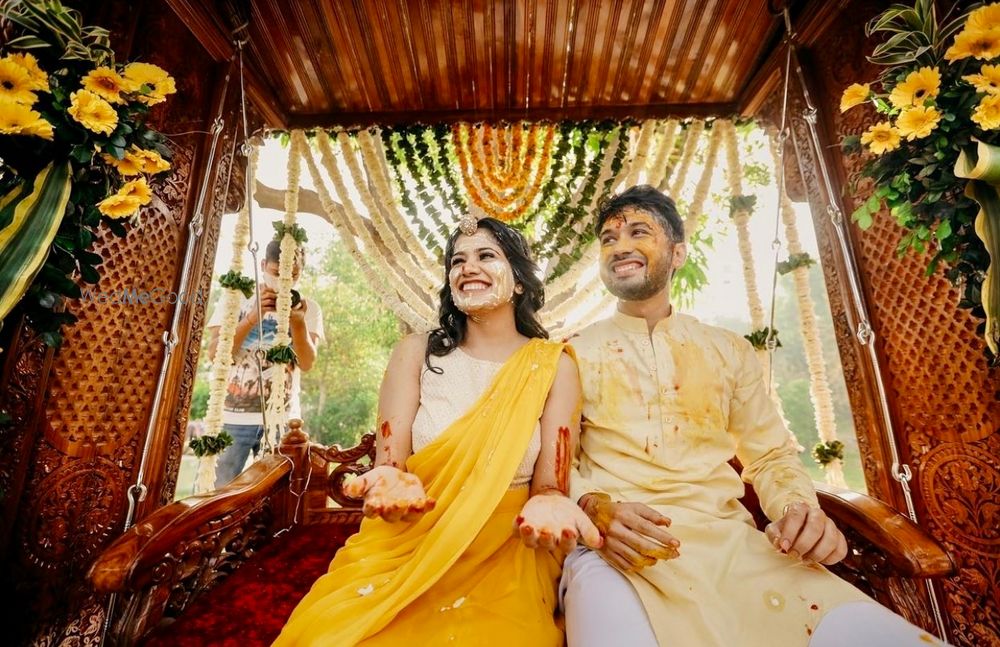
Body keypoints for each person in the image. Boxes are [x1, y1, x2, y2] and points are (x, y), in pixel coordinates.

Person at [560, 185, 948, 646]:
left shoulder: (727, 351)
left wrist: (797, 511)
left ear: (678, 252)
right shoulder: (572, 353)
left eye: (637, 232)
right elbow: (554, 462)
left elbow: (769, 457)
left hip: (735, 547)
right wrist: (593, 508)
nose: (620, 246)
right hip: (616, 551)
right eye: (608, 238)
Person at [273, 216, 600, 646]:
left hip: (507, 548)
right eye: (457, 260)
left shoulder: (553, 365)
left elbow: (549, 485)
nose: (468, 267)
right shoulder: (415, 353)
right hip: (408, 537)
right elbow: (390, 465)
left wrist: (552, 501)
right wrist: (389, 479)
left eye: (486, 256)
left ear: (519, 281)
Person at [206, 239, 324, 487]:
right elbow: (215, 354)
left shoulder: (308, 308)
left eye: (292, 275)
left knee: (278, 500)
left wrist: (298, 324)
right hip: (232, 418)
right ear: (262, 265)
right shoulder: (235, 298)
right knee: (220, 496)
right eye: (276, 273)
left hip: (282, 421)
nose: (283, 281)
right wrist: (251, 318)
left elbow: (307, 363)